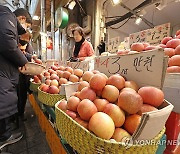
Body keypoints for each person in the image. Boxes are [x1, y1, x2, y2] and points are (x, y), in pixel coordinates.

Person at [0, 6, 30, 150]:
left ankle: (4, 135)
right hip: (2, 73)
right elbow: (8, 43)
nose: (25, 28)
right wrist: (23, 61)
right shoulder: (7, 15)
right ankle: (4, 138)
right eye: (27, 25)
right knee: (2, 101)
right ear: (22, 19)